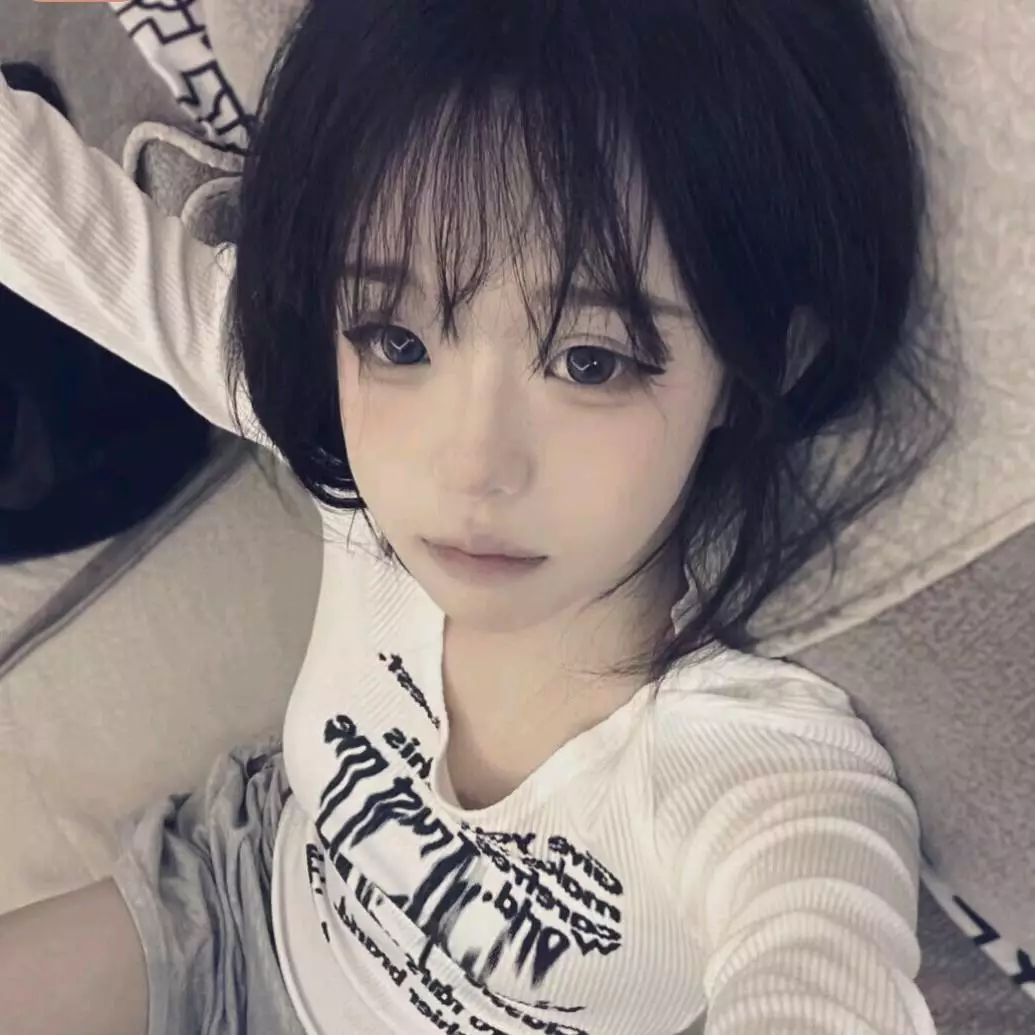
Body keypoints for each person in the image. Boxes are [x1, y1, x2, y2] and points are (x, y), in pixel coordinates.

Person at [0, 1, 952, 1033]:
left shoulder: (766, 780)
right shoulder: (349, 448)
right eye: (397, 340)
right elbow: (55, 219)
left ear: (758, 363)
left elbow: (826, 970)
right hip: (236, 915)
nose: (466, 468)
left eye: (590, 360)